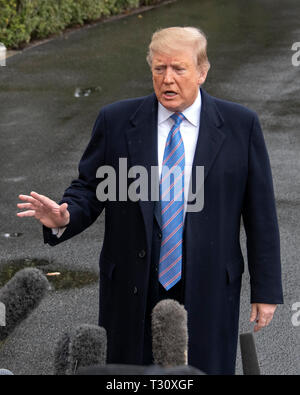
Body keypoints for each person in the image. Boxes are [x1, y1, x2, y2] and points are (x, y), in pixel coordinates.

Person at [17, 27, 283, 375]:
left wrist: (265, 290)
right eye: (159, 69)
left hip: (208, 286)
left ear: (202, 71)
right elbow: (90, 188)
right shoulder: (116, 121)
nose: (167, 79)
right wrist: (65, 216)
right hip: (133, 286)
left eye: (178, 69)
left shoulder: (240, 126)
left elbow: (260, 213)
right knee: (129, 378)